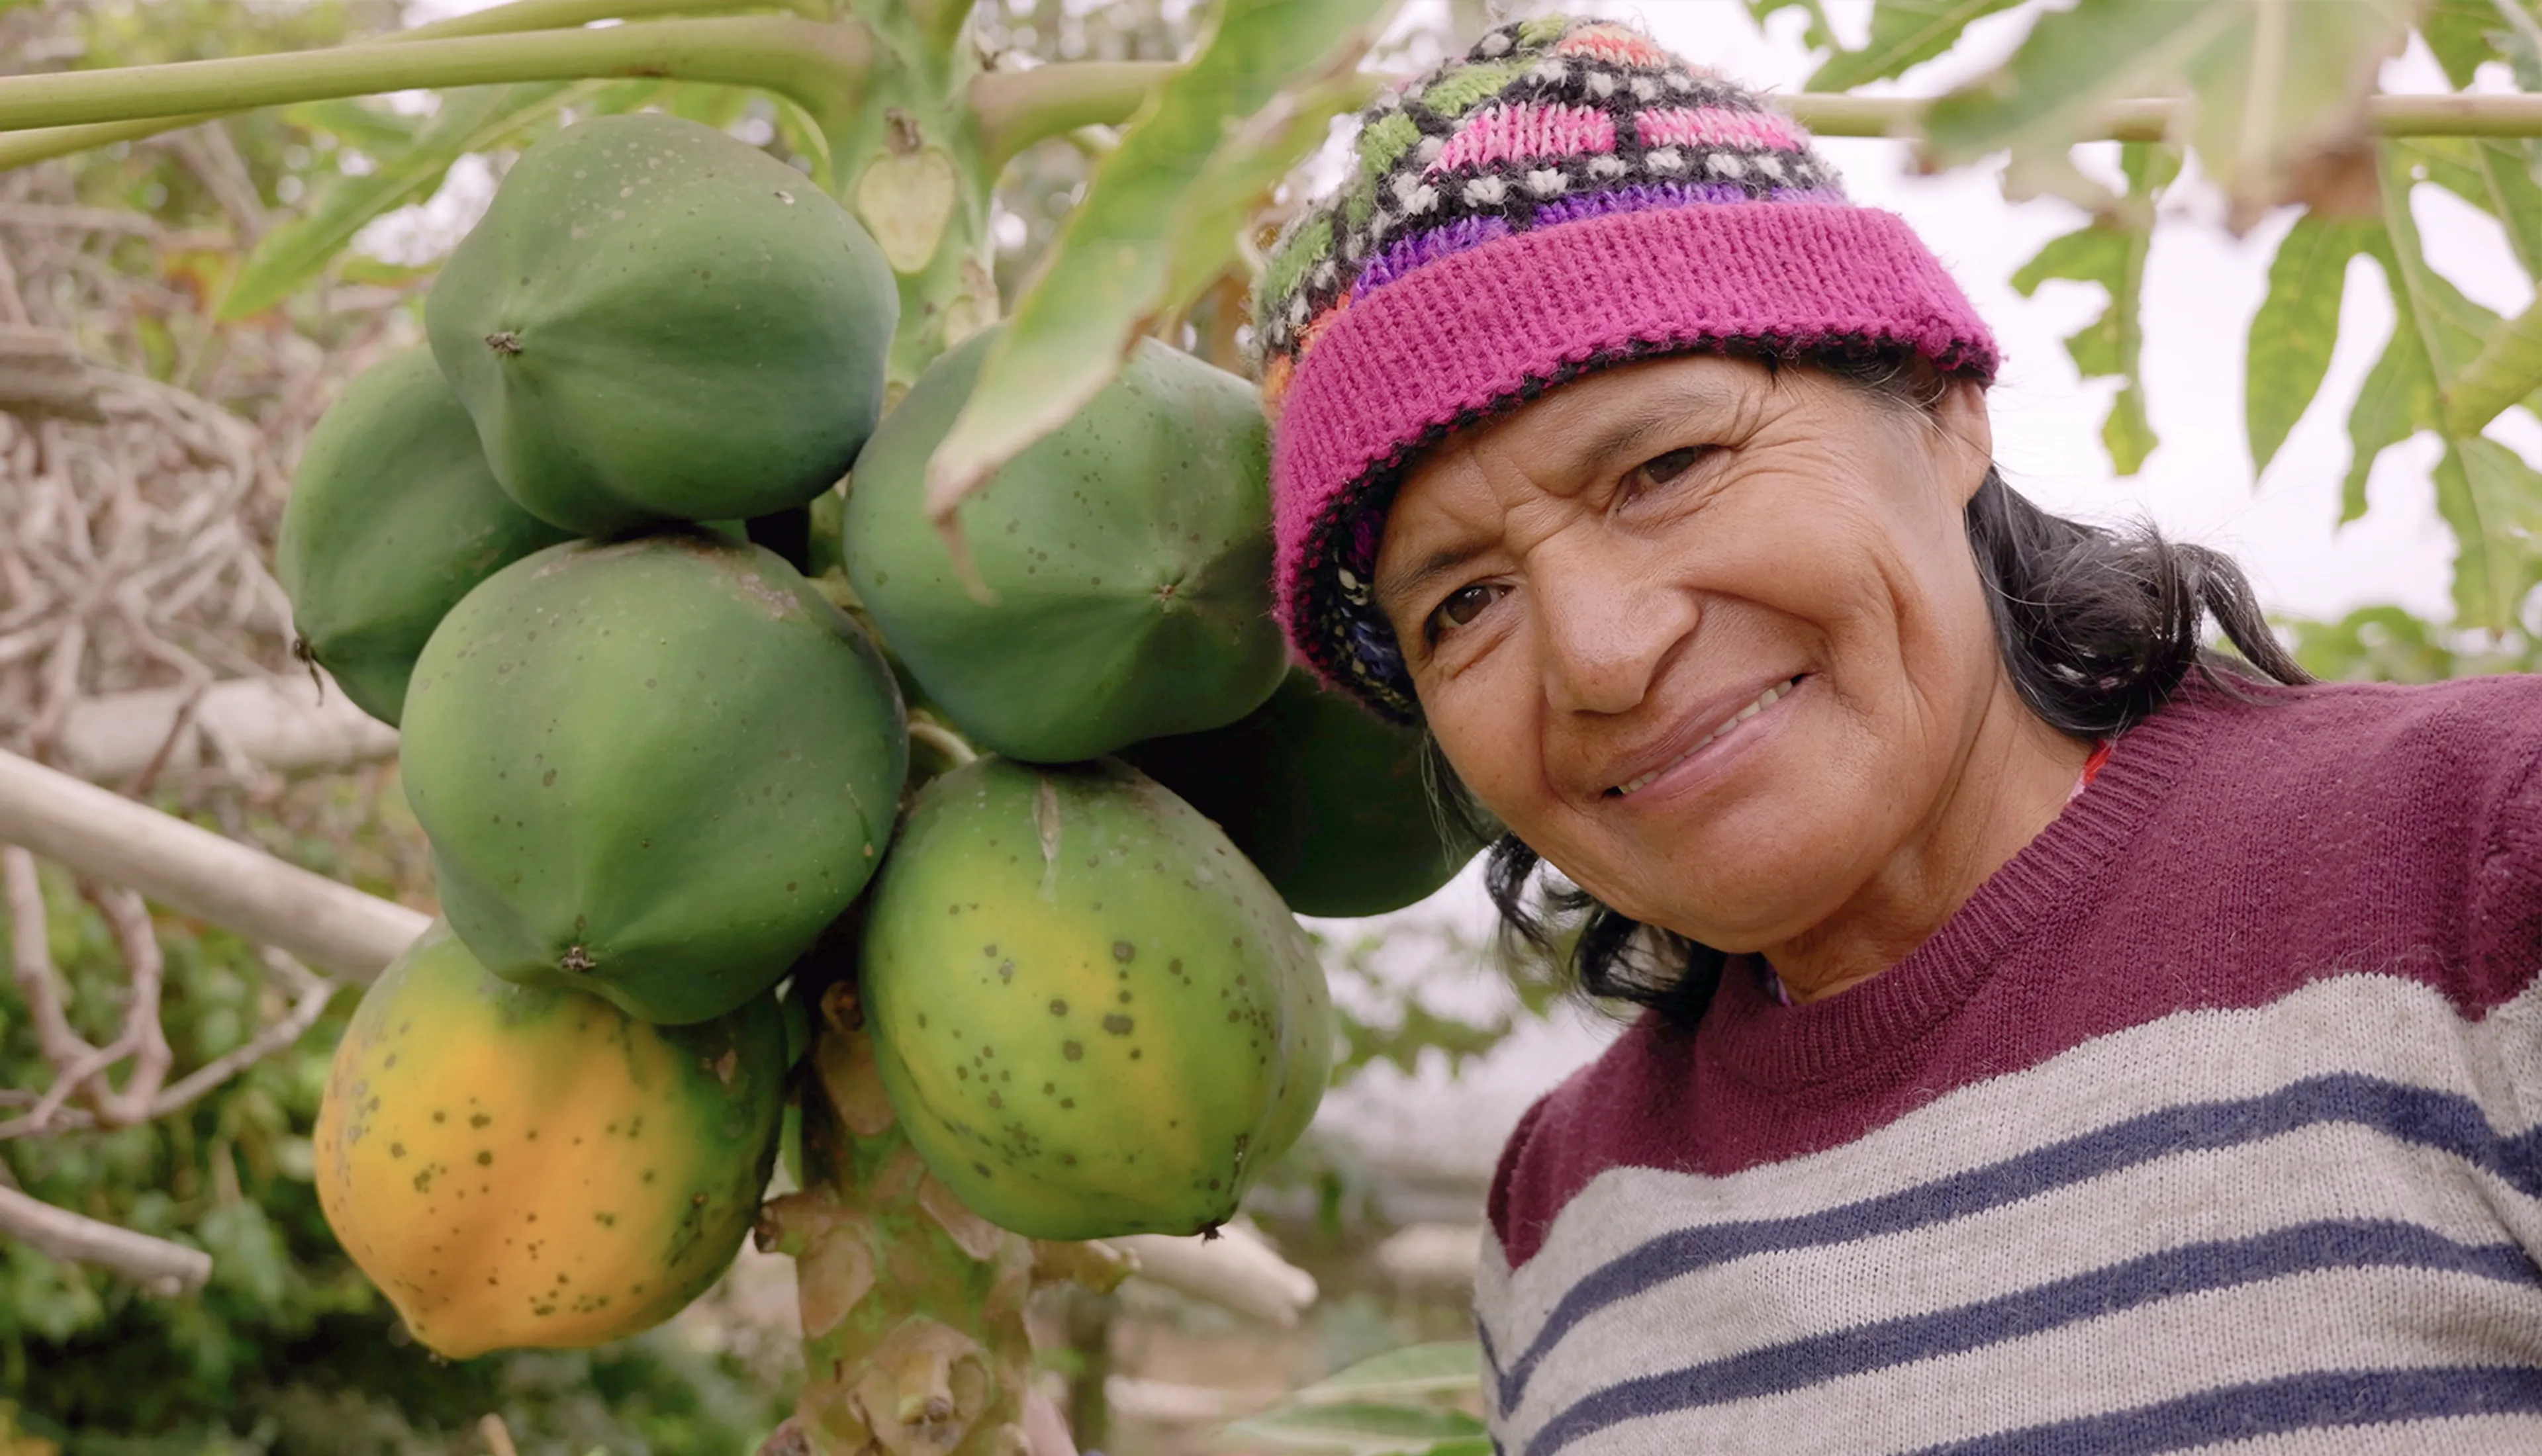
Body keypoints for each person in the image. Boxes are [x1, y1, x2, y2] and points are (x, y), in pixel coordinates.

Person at [1255, 14, 2542, 1454]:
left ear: (1941, 408)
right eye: (1465, 602)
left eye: (1667, 465)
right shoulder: (1566, 1216)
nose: (1603, 653)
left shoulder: (2487, 863)